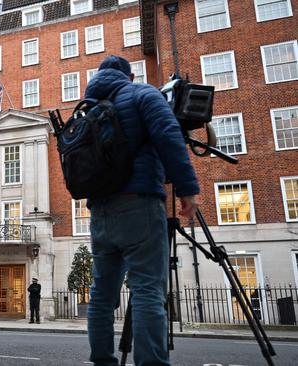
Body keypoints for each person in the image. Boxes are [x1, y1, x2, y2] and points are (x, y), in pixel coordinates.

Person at [84, 55, 199, 366]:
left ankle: (103, 361)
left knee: (102, 295)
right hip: (139, 203)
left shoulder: (88, 109)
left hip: (99, 211)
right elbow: (168, 136)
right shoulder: (143, 94)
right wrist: (187, 188)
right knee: (148, 289)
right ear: (130, 75)